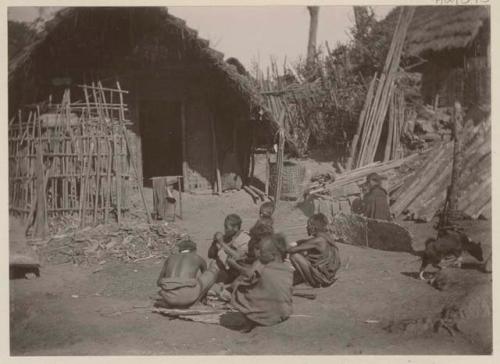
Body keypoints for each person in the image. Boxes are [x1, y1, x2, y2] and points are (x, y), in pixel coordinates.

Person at [230, 233, 293, 329]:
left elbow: (248, 276)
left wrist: (236, 266)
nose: (259, 254)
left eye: (262, 252)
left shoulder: (264, 268)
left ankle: (250, 321)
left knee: (239, 287)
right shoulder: (287, 270)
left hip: (269, 318)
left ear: (273, 255)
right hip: (285, 313)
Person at [157, 239, 218, 308]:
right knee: (213, 271)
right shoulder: (198, 258)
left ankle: (173, 302)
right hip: (188, 298)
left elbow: (159, 281)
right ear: (194, 250)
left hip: (169, 298)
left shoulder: (170, 258)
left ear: (180, 250)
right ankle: (197, 302)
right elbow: (205, 280)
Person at [288, 213, 341, 288]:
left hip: (321, 278)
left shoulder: (318, 240)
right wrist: (297, 242)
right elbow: (307, 241)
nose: (306, 227)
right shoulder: (327, 237)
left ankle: (312, 283)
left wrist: (283, 248)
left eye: (308, 225)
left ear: (314, 227)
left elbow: (292, 250)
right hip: (327, 275)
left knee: (295, 256)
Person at [208, 214, 251, 283]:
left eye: (226, 227)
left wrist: (222, 243)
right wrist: (214, 243)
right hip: (220, 271)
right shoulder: (227, 237)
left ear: (236, 228)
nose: (225, 230)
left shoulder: (245, 238)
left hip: (236, 274)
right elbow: (210, 255)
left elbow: (238, 257)